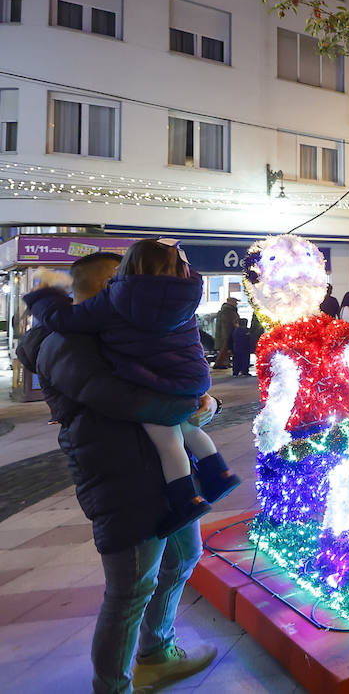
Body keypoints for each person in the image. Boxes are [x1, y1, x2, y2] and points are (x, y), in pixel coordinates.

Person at [16, 251, 218, 694]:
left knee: (184, 557)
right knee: (130, 589)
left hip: (164, 473)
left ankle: (157, 651)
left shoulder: (122, 329)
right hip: (122, 476)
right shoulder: (63, 341)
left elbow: (167, 382)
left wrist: (203, 404)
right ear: (100, 289)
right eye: (122, 280)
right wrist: (191, 403)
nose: (134, 288)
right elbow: (126, 400)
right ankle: (113, 685)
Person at [26, 239, 240, 537]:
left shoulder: (114, 300)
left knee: (169, 443)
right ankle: (220, 473)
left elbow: (64, 318)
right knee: (189, 429)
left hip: (154, 389)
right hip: (191, 380)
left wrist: (44, 294)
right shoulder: (186, 296)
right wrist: (207, 400)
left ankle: (186, 500)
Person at [212, 294, 238, 369]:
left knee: (226, 350)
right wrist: (226, 335)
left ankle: (224, 363)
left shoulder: (229, 310)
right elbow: (226, 325)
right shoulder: (227, 311)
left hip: (227, 333)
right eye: (235, 302)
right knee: (224, 349)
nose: (236, 304)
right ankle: (219, 364)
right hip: (226, 334)